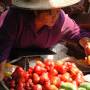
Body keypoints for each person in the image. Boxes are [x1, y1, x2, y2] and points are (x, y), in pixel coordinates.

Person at [0, 0, 90, 81]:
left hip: (37, 66)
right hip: (10, 61)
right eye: (49, 13)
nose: (55, 16)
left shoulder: (61, 20)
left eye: (58, 11)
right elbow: (3, 48)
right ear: (36, 11)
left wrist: (86, 43)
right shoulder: (14, 18)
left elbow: (78, 33)